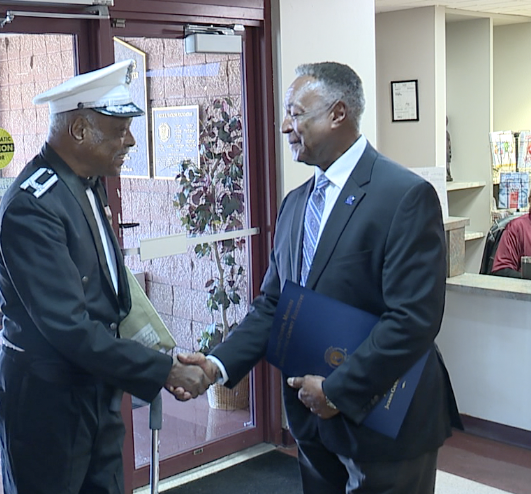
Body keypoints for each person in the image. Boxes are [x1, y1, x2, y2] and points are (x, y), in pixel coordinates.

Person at [176, 62, 461, 494]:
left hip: (384, 419)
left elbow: (413, 319)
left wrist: (337, 391)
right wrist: (216, 365)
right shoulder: (295, 204)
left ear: (338, 113)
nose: (285, 126)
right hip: (312, 420)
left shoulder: (404, 196)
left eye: (295, 113)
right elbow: (274, 305)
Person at [0, 59, 209, 494]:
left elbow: (107, 293)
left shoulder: (85, 184)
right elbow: (69, 327)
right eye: (119, 130)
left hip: (97, 388)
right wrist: (163, 370)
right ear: (79, 130)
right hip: (48, 402)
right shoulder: (33, 207)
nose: (130, 140)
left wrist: (154, 356)